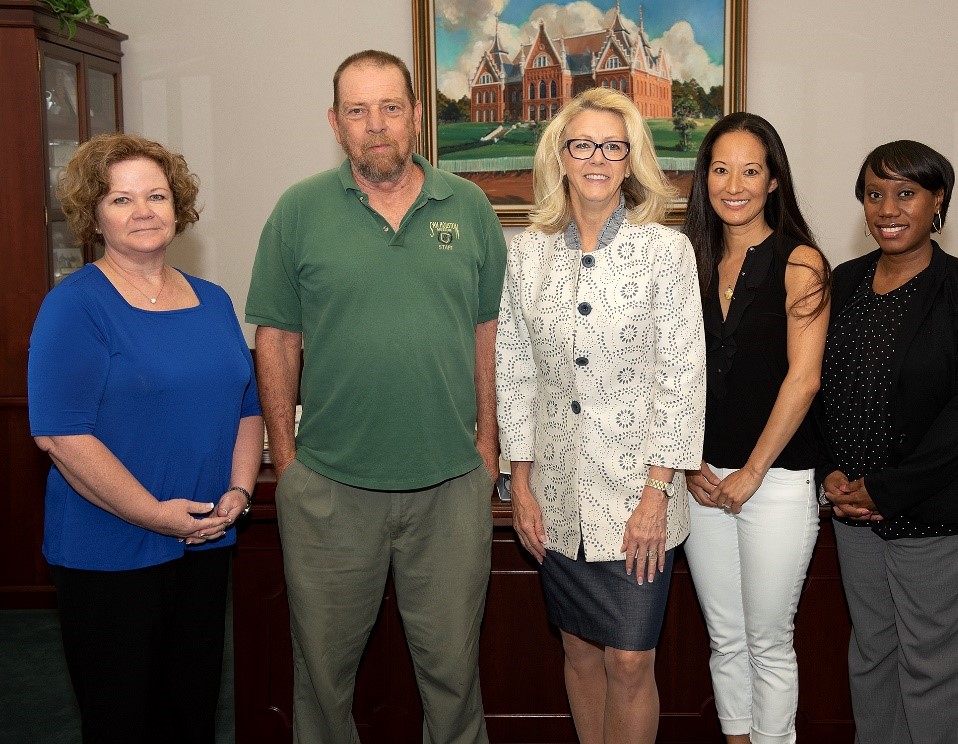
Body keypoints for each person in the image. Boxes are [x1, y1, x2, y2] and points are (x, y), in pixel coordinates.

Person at [245, 50, 506, 744]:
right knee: (323, 680)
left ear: (417, 116)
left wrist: (487, 449)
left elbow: (488, 335)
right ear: (335, 123)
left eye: (391, 107)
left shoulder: (470, 208)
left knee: (453, 675)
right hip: (329, 490)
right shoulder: (298, 211)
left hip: (450, 487)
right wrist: (287, 461)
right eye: (357, 111)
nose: (376, 125)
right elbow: (276, 339)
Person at [28, 133, 263, 744]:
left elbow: (247, 404)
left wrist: (239, 491)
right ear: (94, 215)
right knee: (122, 720)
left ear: (177, 205)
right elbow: (60, 435)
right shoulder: (73, 306)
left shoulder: (212, 301)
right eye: (120, 199)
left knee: (192, 712)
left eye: (156, 195)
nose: (142, 211)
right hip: (108, 550)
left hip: (205, 540)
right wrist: (156, 515)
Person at [496, 87, 705, 744]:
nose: (596, 157)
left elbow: (683, 379)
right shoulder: (525, 253)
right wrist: (521, 483)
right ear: (560, 154)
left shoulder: (666, 253)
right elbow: (514, 369)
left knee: (629, 658)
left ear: (631, 159)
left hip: (640, 496)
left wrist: (657, 492)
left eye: (612, 146)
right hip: (556, 497)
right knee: (581, 651)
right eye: (582, 143)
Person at [817, 140, 958, 744]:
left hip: (937, 513)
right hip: (853, 510)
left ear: (937, 201)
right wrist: (832, 473)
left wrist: (888, 488)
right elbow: (816, 390)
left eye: (906, 193)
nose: (888, 208)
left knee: (931, 666)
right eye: (875, 195)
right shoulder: (841, 284)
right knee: (872, 652)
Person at [681, 112, 831, 744]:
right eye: (720, 168)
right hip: (702, 483)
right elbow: (670, 374)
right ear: (704, 179)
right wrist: (690, 465)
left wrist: (751, 473)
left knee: (769, 642)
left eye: (750, 169)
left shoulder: (802, 263)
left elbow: (803, 380)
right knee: (725, 639)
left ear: (774, 181)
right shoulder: (685, 258)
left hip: (776, 482)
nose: (733, 183)